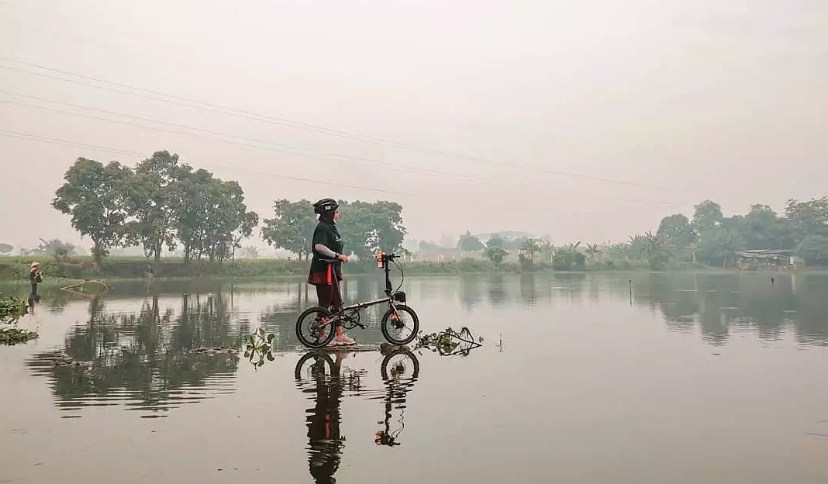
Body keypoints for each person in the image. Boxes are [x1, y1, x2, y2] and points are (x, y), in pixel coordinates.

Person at [308, 198, 354, 346]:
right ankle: (321, 336)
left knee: (336, 303)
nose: (339, 214)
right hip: (323, 271)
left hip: (333, 270)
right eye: (336, 212)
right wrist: (337, 256)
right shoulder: (322, 227)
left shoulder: (332, 228)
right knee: (325, 303)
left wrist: (338, 263)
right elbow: (319, 247)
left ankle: (340, 335)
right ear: (330, 213)